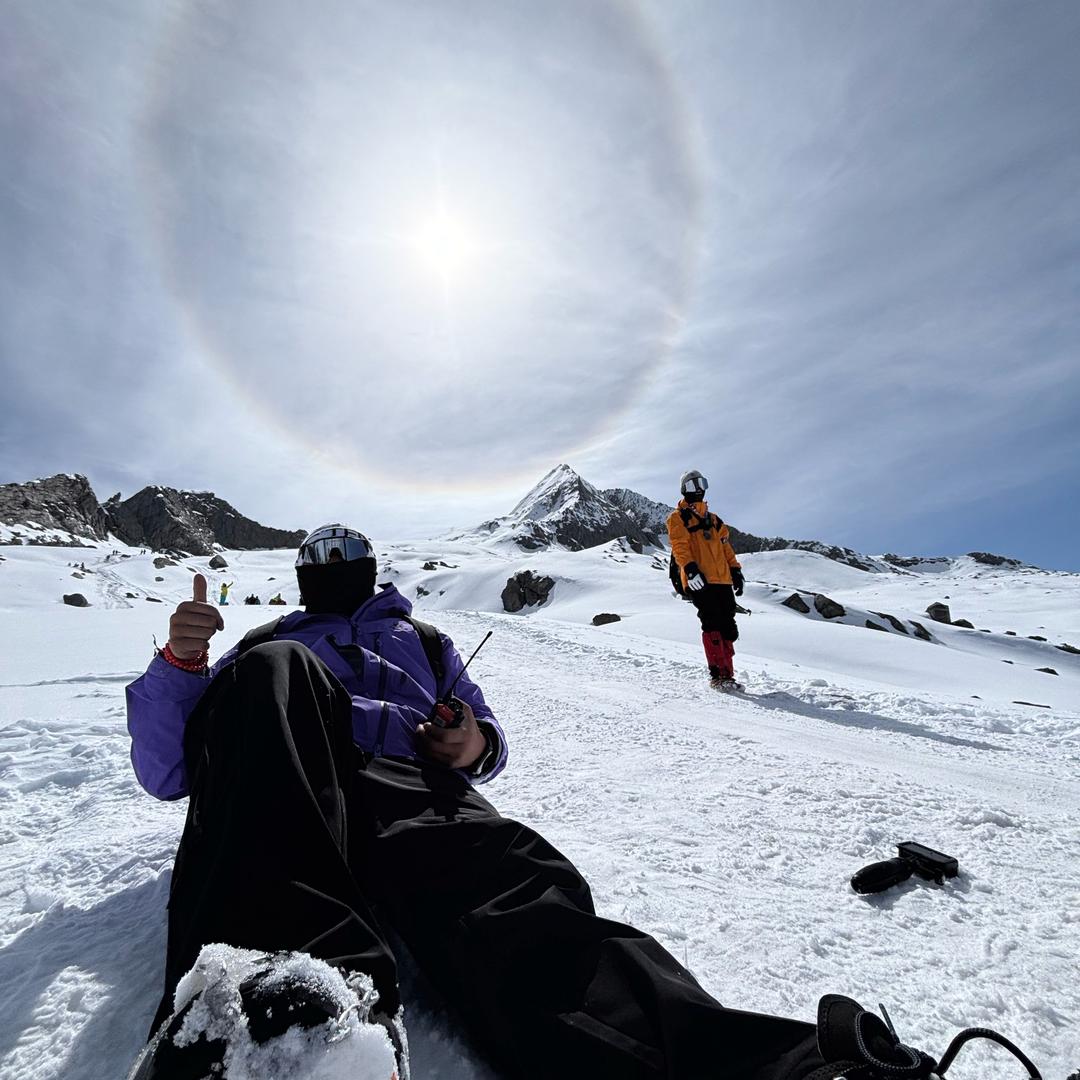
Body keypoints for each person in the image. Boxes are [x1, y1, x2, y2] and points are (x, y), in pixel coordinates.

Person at [125, 524, 1038, 1080]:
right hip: (296, 768)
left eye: (346, 562)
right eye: (320, 567)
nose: (334, 576)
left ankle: (776, 1073)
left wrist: (469, 743)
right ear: (302, 581)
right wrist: (182, 665)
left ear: (366, 570)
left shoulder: (426, 640)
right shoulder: (269, 646)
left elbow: (486, 739)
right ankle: (263, 1021)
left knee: (518, 896)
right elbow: (170, 772)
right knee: (280, 690)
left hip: (417, 789)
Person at [667, 469, 746, 690]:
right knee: (711, 622)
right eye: (692, 485)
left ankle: (728, 674)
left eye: (701, 483)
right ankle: (717, 675)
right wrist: (691, 570)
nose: (698, 489)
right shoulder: (678, 518)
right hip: (699, 580)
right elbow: (680, 546)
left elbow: (726, 548)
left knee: (728, 626)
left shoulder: (714, 520)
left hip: (722, 580)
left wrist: (736, 571)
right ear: (684, 490)